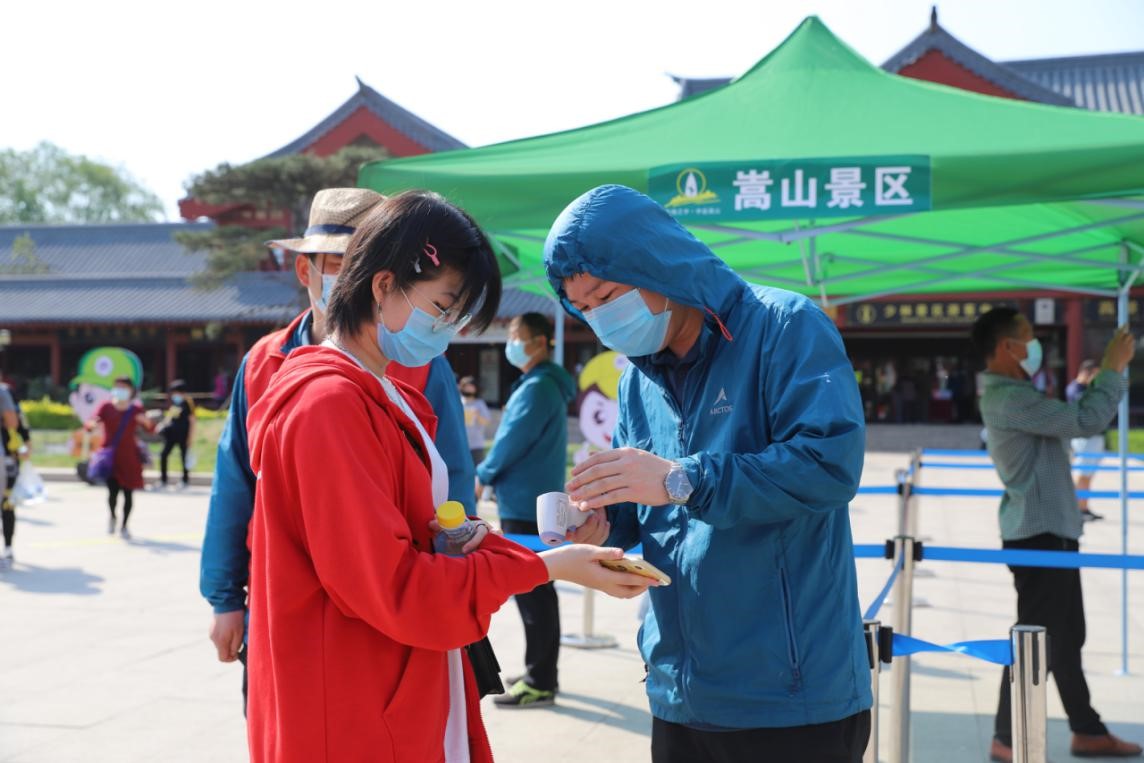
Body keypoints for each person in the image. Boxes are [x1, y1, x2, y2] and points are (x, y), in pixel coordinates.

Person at [244, 190, 654, 762]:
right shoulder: (329, 405)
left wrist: (483, 549)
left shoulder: (380, 388)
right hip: (356, 697)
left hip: (394, 680)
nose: (450, 328)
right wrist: (543, 567)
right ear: (383, 285)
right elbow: (393, 587)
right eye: (443, 306)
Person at [546, 185, 872, 762]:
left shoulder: (785, 326)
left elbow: (829, 465)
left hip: (789, 695)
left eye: (605, 295)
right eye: (584, 308)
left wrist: (681, 479)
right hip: (680, 689)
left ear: (653, 265)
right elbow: (646, 502)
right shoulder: (636, 381)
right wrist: (604, 524)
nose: (599, 317)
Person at [199, 188, 477, 712]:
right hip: (281, 599)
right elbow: (235, 484)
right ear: (305, 272)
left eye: (362, 261)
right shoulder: (264, 362)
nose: (348, 276)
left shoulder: (420, 358)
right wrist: (224, 598)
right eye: (334, 262)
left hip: (391, 597)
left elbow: (454, 477)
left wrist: (457, 574)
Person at [970, 307, 1141, 762]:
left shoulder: (1017, 393)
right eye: (1027, 338)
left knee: (1064, 637)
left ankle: (1086, 728)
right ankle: (1007, 737)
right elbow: (1084, 421)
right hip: (1039, 534)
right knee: (1036, 639)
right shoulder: (1009, 398)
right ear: (1008, 347)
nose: (1035, 347)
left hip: (1050, 531)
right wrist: (1111, 370)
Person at [475, 312, 575, 709]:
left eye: (517, 336)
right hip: (535, 498)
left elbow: (510, 441)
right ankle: (541, 671)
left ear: (539, 342)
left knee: (533, 593)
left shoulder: (537, 388)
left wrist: (483, 473)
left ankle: (540, 679)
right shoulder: (544, 384)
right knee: (538, 592)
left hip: (526, 501)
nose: (511, 342)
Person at [87, 376, 155, 540]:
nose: (120, 390)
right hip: (110, 458)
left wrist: (146, 421)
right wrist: (92, 425)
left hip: (130, 458)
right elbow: (91, 423)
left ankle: (124, 525)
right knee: (112, 493)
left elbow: (151, 429)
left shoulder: (136, 409)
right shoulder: (106, 406)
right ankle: (112, 516)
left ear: (131, 391)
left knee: (129, 494)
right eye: (117, 387)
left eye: (123, 387)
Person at [1066, 360, 1106, 522]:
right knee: (1082, 475)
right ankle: (1076, 509)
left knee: (1088, 475)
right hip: (1085, 438)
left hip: (1095, 437)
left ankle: (1084, 507)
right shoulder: (1076, 389)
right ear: (1086, 372)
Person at [1, 377, 30, 570]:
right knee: (6, 504)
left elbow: (14, 422)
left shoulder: (3, 393)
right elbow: (14, 421)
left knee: (6, 504)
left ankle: (8, 549)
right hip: (6, 460)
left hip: (5, 459)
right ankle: (8, 549)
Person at [157, 379, 195, 490]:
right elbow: (170, 416)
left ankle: (185, 480)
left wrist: (190, 437)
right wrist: (162, 425)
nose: (174, 395)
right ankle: (163, 480)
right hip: (171, 435)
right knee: (163, 454)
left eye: (176, 392)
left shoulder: (188, 402)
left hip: (183, 435)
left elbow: (192, 420)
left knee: (184, 457)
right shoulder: (175, 403)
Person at [459, 376, 491, 465]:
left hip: (476, 444)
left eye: (471, 386)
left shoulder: (480, 403)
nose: (469, 388)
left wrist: (477, 415)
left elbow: (487, 422)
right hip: (460, 443)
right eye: (466, 386)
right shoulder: (458, 402)